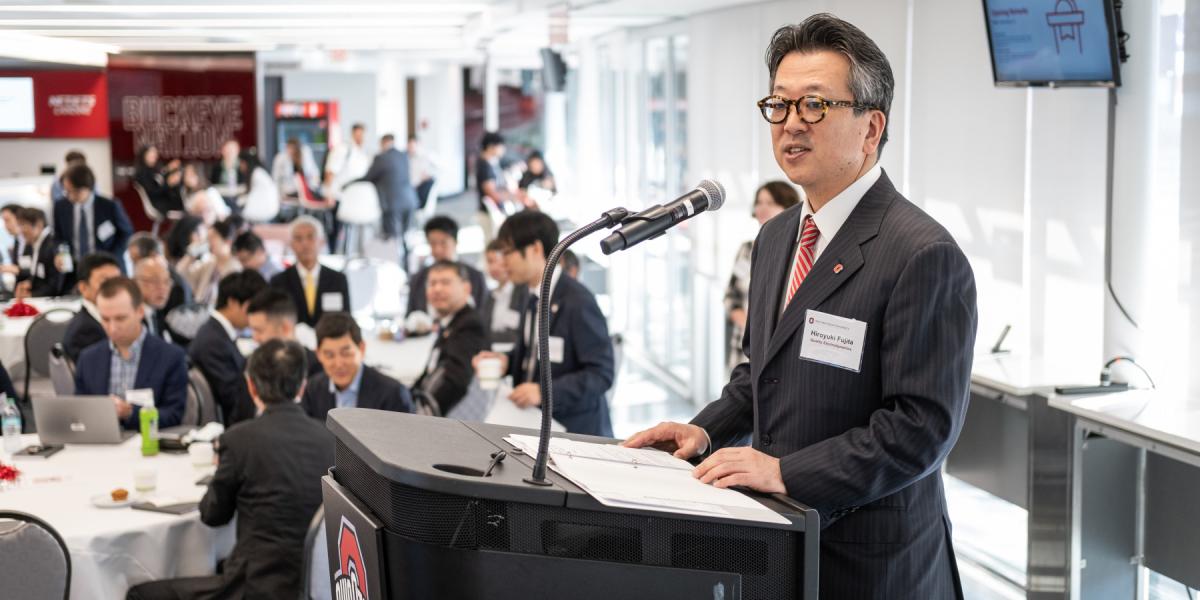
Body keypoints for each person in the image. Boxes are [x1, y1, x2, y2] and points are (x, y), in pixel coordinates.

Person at [622, 16, 978, 599]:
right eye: (779, 105)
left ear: (871, 128)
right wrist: (703, 432)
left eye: (815, 105)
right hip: (779, 546)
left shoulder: (921, 253)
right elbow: (757, 375)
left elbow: (920, 429)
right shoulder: (777, 236)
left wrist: (785, 472)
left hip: (872, 565)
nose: (791, 125)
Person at [126, 339, 334, 600]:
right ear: (302, 386)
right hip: (319, 585)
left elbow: (213, 515)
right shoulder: (331, 439)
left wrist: (223, 474)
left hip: (255, 586)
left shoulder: (238, 440)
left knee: (140, 594)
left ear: (251, 386)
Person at [471, 211, 614, 436]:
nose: (503, 261)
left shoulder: (577, 301)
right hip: (535, 424)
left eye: (508, 252)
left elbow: (601, 374)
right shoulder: (531, 296)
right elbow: (533, 352)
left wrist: (544, 391)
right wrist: (506, 361)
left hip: (575, 432)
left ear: (535, 249)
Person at [74, 277, 189, 430]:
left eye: (120, 318)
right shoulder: (89, 359)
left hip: (149, 445)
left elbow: (174, 415)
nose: (112, 328)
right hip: (100, 446)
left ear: (140, 311)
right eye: (105, 319)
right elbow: (79, 412)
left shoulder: (170, 357)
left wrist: (130, 413)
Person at [724, 181, 801, 372]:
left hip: (778, 352)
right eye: (759, 202)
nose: (762, 208)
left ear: (788, 207)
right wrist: (748, 325)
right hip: (743, 348)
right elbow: (730, 295)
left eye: (771, 202)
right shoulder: (746, 250)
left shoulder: (798, 253)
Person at [189, 270, 267, 426]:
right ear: (232, 303)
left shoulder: (218, 333)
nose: (255, 315)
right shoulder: (213, 342)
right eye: (252, 308)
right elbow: (233, 399)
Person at [302, 313, 412, 422]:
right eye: (330, 355)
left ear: (362, 349)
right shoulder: (312, 390)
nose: (339, 364)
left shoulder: (393, 394)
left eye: (346, 353)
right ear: (318, 354)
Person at [413, 261, 488, 415]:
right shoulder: (450, 322)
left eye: (446, 282)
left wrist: (419, 412)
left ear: (466, 289)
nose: (437, 289)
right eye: (432, 283)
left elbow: (455, 382)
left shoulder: (469, 325)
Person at [269, 216, 349, 327]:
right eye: (298, 238)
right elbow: (275, 319)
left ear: (321, 242)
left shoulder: (337, 279)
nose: (305, 244)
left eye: (310, 237)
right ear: (291, 244)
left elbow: (345, 319)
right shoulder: (278, 281)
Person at [53, 164, 134, 273]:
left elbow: (126, 233)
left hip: (106, 266)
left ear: (87, 188)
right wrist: (59, 253)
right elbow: (58, 236)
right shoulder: (61, 207)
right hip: (74, 270)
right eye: (66, 191)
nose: (69, 196)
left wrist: (112, 257)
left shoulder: (109, 206)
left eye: (73, 191)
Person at [353, 133, 419, 264]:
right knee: (406, 237)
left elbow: (368, 177)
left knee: (393, 240)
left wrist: (349, 183)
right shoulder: (403, 155)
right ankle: (408, 265)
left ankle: (396, 267)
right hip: (409, 200)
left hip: (392, 203)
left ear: (383, 143)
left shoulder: (381, 158)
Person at [406, 216, 487, 316]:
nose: (438, 250)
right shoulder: (418, 279)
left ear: (455, 242)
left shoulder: (474, 276)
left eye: (443, 243)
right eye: (433, 244)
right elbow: (410, 316)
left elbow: (483, 315)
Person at [245, 288, 324, 379]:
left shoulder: (316, 369)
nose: (255, 338)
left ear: (286, 328)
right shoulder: (252, 365)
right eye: (252, 330)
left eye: (259, 330)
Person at [61, 253, 123, 362]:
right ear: (83, 288)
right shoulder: (85, 332)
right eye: (105, 282)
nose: (114, 288)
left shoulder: (96, 320)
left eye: (117, 281)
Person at [178, 217, 242, 306]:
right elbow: (181, 276)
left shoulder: (235, 269)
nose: (209, 242)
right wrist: (191, 255)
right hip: (198, 310)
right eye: (208, 238)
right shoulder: (209, 262)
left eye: (213, 238)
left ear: (228, 241)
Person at [479, 239, 527, 348]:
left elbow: (517, 335)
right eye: (489, 262)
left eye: (495, 260)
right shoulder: (490, 296)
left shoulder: (523, 292)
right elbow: (483, 329)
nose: (492, 267)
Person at [5, 208, 62, 297]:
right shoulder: (36, 245)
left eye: (23, 225)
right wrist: (29, 283)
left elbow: (56, 286)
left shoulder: (52, 246)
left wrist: (31, 295)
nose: (21, 231)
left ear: (39, 225)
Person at [475, 131, 512, 240]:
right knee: (491, 244)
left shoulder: (491, 163)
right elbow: (490, 191)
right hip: (488, 213)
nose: (503, 149)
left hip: (492, 211)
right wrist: (510, 198)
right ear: (491, 146)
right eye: (501, 146)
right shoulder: (484, 165)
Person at [133, 255, 178, 344]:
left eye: (166, 282)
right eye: (154, 281)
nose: (162, 288)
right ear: (135, 283)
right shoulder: (130, 318)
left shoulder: (159, 314)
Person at [323, 122, 372, 198]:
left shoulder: (363, 153)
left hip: (355, 197)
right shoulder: (342, 149)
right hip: (338, 196)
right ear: (353, 133)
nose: (361, 137)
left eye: (362, 134)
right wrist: (328, 194)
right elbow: (330, 172)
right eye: (358, 134)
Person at [133, 144, 183, 215]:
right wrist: (168, 184)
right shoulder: (142, 173)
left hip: (163, 201)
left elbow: (159, 178)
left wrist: (168, 171)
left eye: (155, 153)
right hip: (158, 204)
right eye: (151, 153)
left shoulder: (153, 170)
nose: (154, 156)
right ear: (144, 155)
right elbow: (153, 192)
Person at [236, 150, 280, 223]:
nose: (240, 166)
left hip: (264, 210)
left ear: (246, 163)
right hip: (270, 209)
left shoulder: (256, 174)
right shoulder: (259, 172)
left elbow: (250, 196)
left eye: (241, 162)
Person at [407, 133, 438, 209]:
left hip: (422, 186)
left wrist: (429, 174)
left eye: (412, 146)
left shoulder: (427, 155)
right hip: (411, 187)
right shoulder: (407, 157)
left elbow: (441, 168)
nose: (410, 148)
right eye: (409, 146)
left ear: (418, 144)